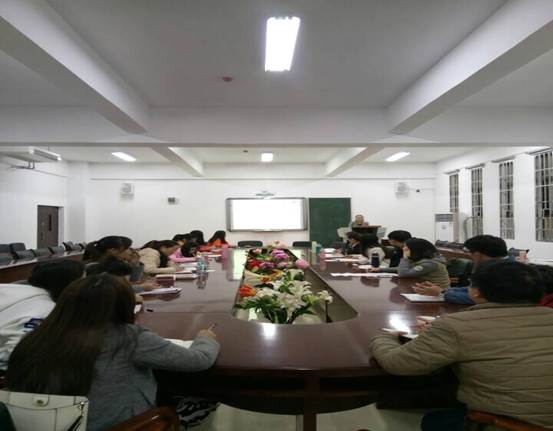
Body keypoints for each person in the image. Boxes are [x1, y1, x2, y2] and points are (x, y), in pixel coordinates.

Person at [6, 274, 220, 431]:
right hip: (122, 425)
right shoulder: (128, 337)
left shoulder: (35, 336)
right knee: (205, 394)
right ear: (123, 305)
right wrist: (205, 339)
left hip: (43, 423)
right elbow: (199, 360)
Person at [369, 261, 553, 430]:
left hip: (505, 424)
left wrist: (386, 336)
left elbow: (398, 364)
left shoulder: (455, 325)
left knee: (430, 419)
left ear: (475, 292)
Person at [0, 260, 85, 370]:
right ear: (67, 284)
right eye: (82, 281)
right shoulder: (47, 311)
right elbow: (13, 354)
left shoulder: (9, 287)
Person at [413, 235, 513, 304]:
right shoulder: (499, 265)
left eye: (470, 253)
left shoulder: (506, 271)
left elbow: (479, 298)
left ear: (477, 254)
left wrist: (441, 293)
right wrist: (444, 290)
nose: (470, 257)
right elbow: (473, 289)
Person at [374, 238, 450, 289]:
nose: (403, 249)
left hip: (439, 294)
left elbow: (403, 274)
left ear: (416, 250)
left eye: (407, 248)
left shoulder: (430, 263)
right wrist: (380, 269)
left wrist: (405, 258)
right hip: (424, 288)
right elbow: (404, 269)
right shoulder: (420, 259)